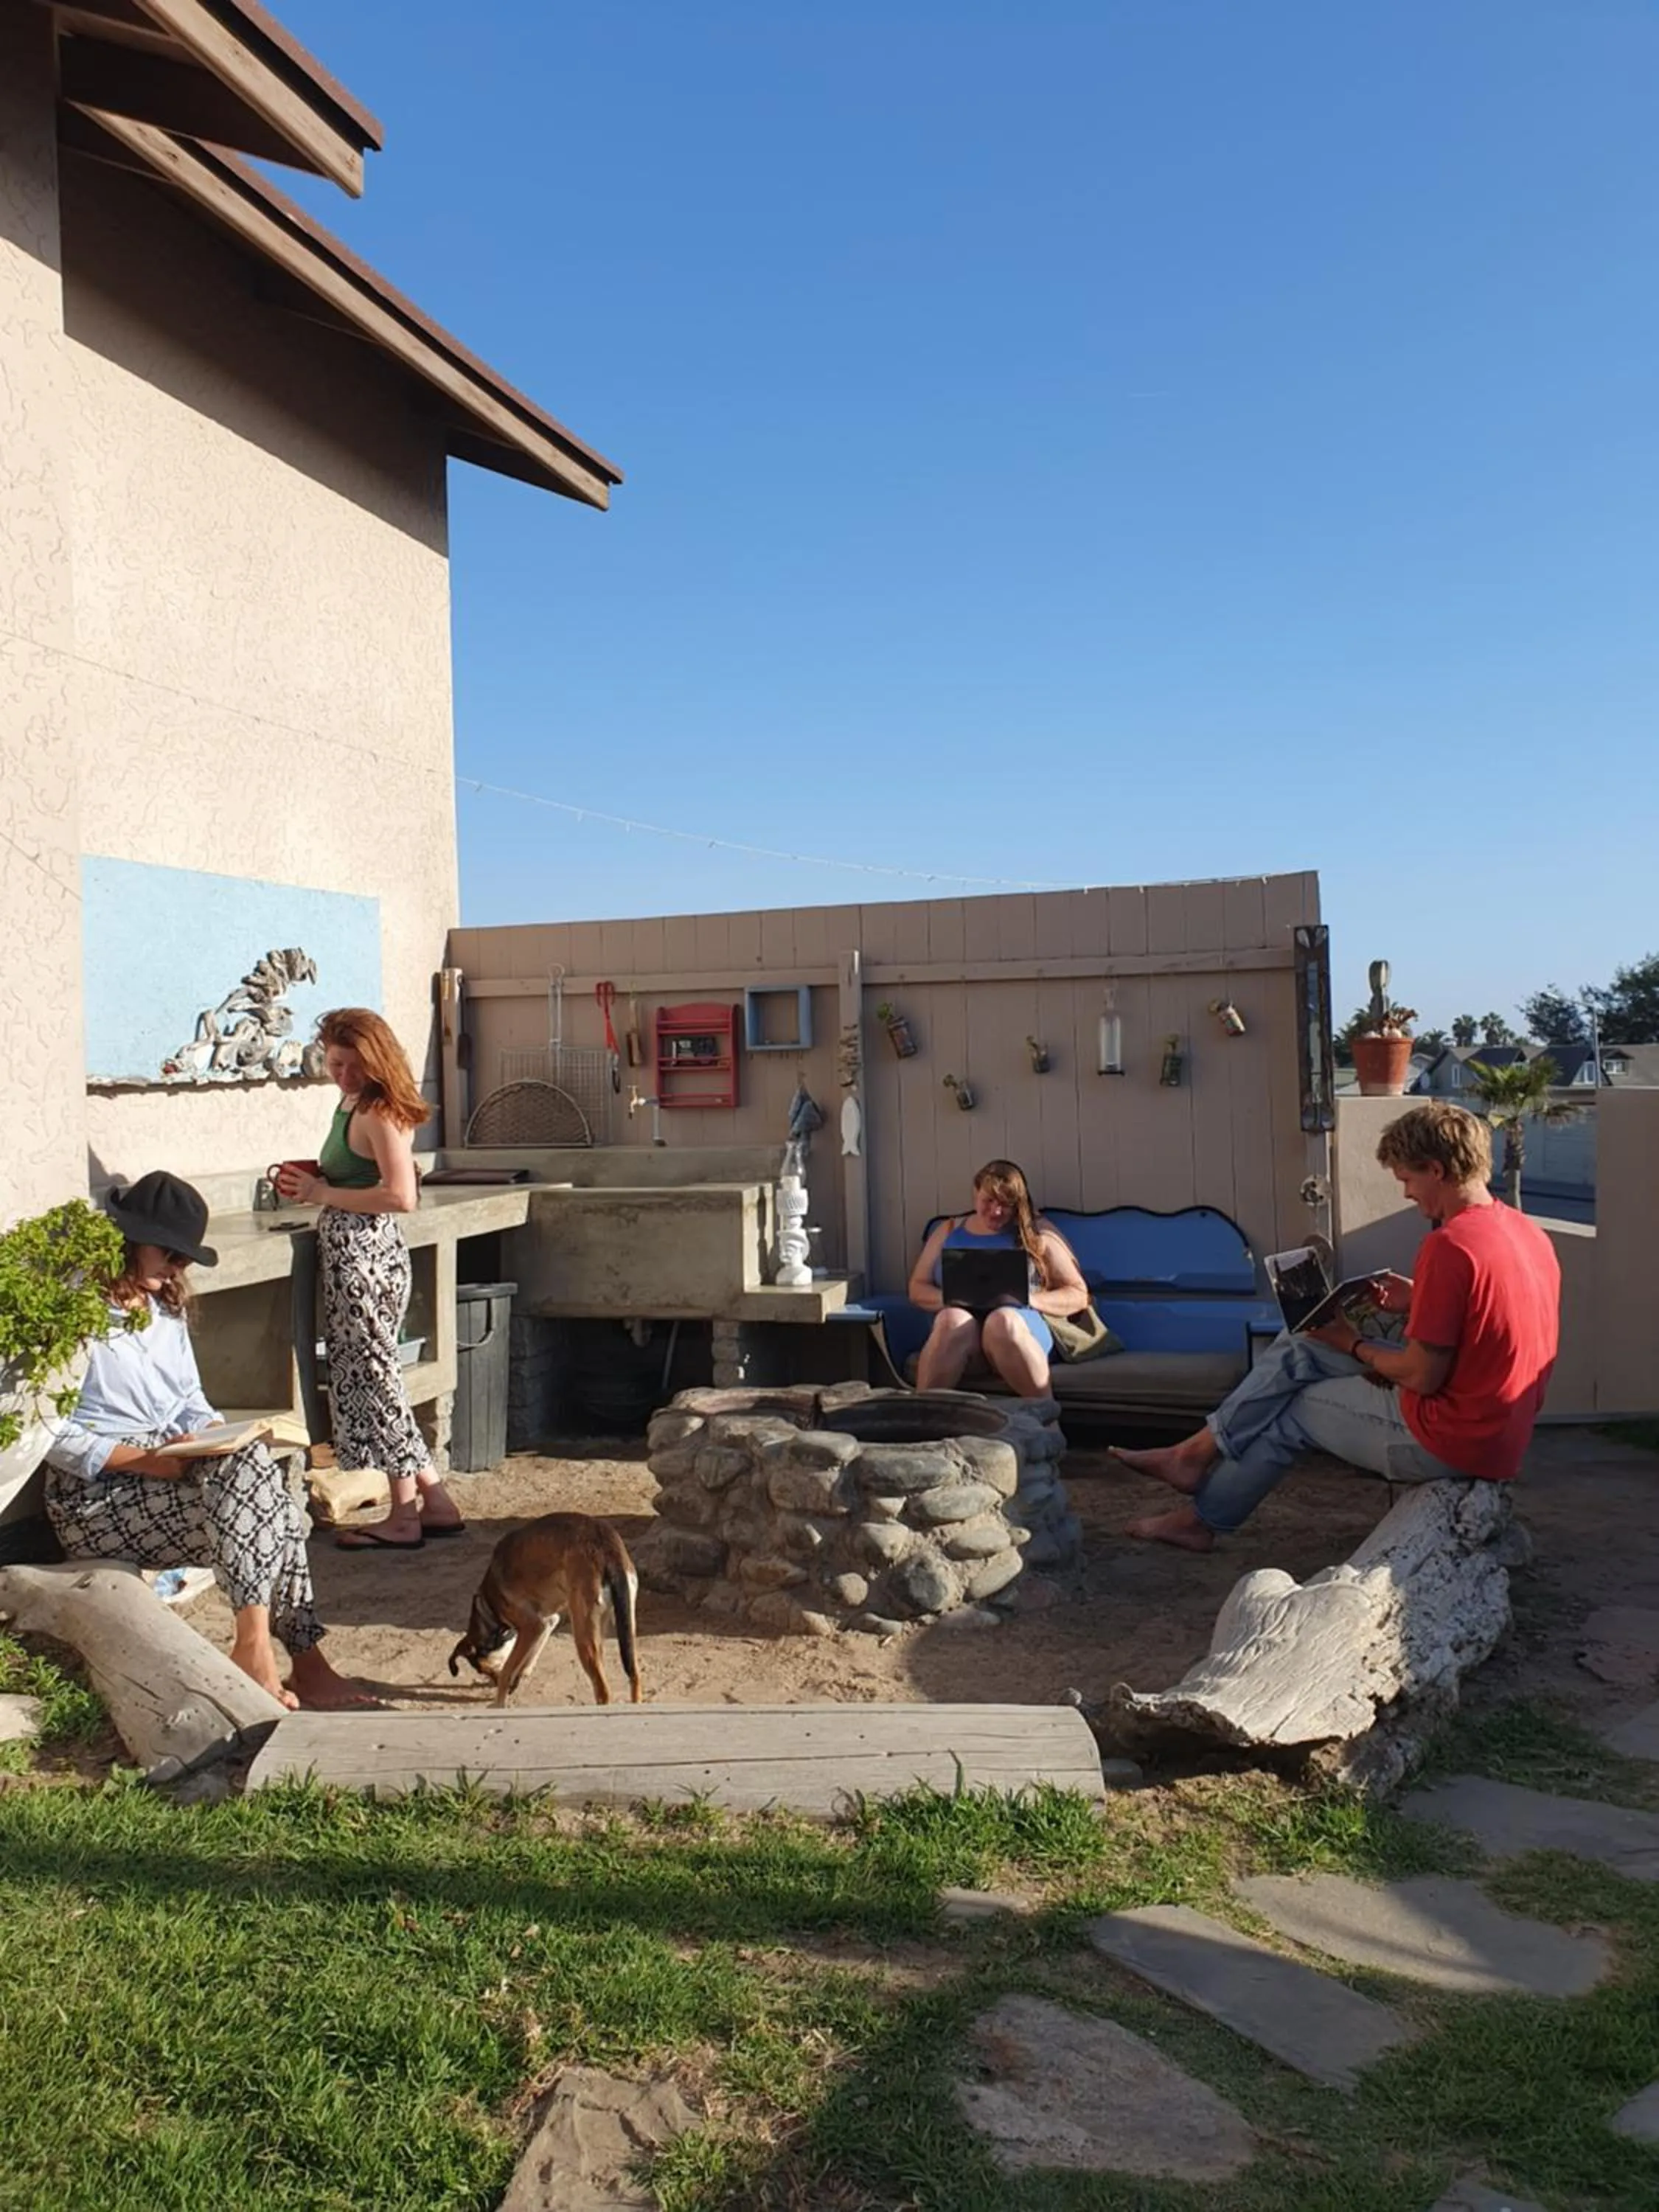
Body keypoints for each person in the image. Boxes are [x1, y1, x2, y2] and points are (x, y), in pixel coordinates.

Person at [1113, 1102, 1561, 1551]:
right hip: (1501, 1431)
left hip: (1454, 1441)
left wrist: (1353, 1343)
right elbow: (1483, 1323)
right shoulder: (1525, 1233)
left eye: (1407, 1179)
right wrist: (1417, 1297)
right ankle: (1191, 1456)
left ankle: (1199, 1512)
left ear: (1436, 1170)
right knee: (1303, 1342)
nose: (1407, 1194)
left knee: (1294, 1409)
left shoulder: (1449, 1246)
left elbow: (1424, 1376)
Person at [43, 1170, 369, 1709]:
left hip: (173, 1473)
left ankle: (273, 1652)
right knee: (271, 1506)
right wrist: (149, 1461)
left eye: (182, 1259)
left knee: (260, 1474)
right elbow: (50, 1433)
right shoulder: (78, 1313)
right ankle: (274, 1654)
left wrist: (218, 1436)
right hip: (100, 1494)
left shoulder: (164, 1307)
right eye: (168, 1254)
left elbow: (189, 1400)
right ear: (130, 1239)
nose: (177, 1268)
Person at [276, 1007, 466, 1550]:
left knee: (378, 1381)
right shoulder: (352, 1103)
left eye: (353, 1066)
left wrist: (322, 1195)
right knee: (372, 1378)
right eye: (335, 1064)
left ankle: (403, 1517)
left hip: (365, 1256)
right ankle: (434, 1502)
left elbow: (401, 1196)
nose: (342, 1075)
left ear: (377, 1063)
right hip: (353, 1252)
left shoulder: (379, 1112)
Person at [906, 1159, 1090, 1398]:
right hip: (965, 1340)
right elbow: (917, 1288)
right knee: (952, 1319)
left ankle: (1047, 1418)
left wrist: (1029, 1299)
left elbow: (1078, 1294)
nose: (996, 1211)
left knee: (1002, 1320)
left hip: (1019, 1333)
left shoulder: (1037, 1231)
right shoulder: (950, 1230)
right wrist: (954, 1298)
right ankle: (924, 1419)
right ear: (976, 1193)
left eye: (1006, 1204)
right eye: (988, 1201)